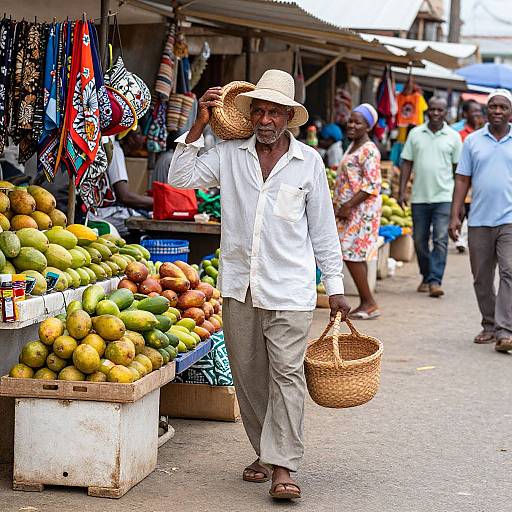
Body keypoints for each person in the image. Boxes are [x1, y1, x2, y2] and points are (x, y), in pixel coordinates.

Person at [168, 69, 350, 500]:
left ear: (289, 116)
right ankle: (265, 450)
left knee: (287, 375)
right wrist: (199, 122)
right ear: (249, 114)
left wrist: (337, 285)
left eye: (274, 112)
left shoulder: (309, 163)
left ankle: (283, 467)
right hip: (239, 285)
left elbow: (323, 230)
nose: (265, 119)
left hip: (291, 289)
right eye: (259, 111)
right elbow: (179, 178)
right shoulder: (230, 153)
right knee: (250, 378)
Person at [449, 89, 512, 351]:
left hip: (509, 220)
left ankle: (505, 330)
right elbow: (463, 178)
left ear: (510, 112)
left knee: (509, 272)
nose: (497, 111)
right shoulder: (473, 141)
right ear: (487, 110)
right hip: (479, 219)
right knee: (481, 276)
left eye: (503, 107)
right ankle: (489, 324)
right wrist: (455, 214)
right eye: (493, 106)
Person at [399, 97, 462, 297]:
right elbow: (407, 162)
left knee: (441, 239)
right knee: (419, 240)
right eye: (432, 109)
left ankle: (435, 281)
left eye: (440, 110)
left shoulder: (453, 136)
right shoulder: (416, 133)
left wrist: (459, 203)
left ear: (446, 113)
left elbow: (459, 171)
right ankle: (426, 276)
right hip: (419, 197)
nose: (435, 113)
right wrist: (402, 191)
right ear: (427, 111)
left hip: (444, 197)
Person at [333, 103, 382, 319]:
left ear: (368, 127)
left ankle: (369, 302)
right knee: (352, 255)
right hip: (349, 209)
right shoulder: (352, 146)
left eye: (357, 122)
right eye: (350, 120)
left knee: (351, 255)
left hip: (360, 210)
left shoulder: (369, 150)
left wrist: (348, 205)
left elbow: (372, 185)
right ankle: (367, 301)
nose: (351, 125)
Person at [90, 137, 153, 236]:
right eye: (138, 134)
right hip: (103, 215)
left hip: (95, 213)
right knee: (145, 225)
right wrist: (158, 202)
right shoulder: (114, 148)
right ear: (128, 137)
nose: (142, 139)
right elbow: (125, 196)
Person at [454, 101, 485, 253]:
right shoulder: (459, 134)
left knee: (472, 211)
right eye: (474, 112)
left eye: (479, 112)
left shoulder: (486, 132)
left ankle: (467, 238)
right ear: (466, 114)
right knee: (463, 210)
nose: (477, 115)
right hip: (465, 178)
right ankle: (460, 237)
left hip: (479, 181)